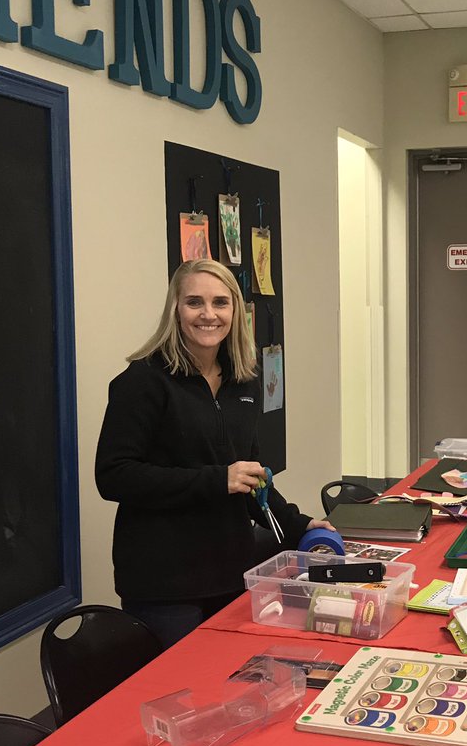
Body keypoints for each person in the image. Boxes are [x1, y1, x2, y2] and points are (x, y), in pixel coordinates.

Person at [95, 259, 334, 648]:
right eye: (195, 302)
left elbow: (251, 477)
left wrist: (298, 523)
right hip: (165, 586)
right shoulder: (142, 382)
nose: (209, 314)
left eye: (220, 302)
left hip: (232, 574)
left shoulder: (244, 381)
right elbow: (113, 475)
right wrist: (217, 479)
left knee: (237, 679)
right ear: (176, 309)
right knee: (181, 684)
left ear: (235, 311)